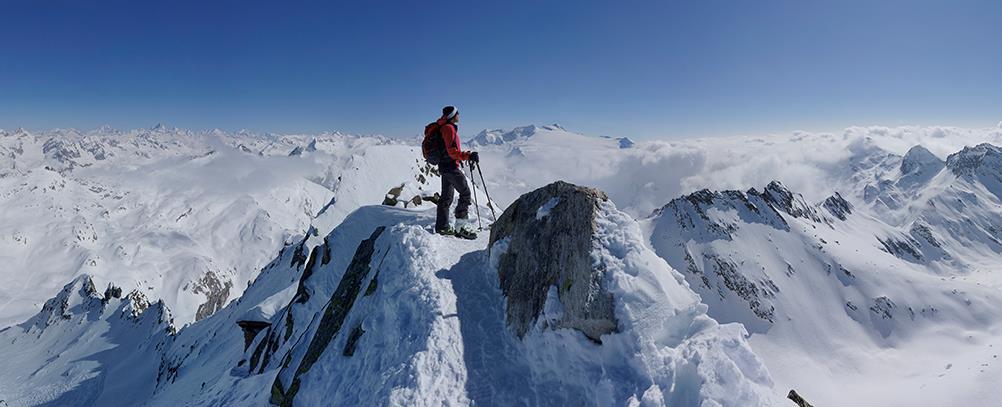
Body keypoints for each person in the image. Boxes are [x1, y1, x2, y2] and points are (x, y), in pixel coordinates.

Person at [431, 105, 479, 238]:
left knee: (446, 198)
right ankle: (461, 227)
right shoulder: (448, 128)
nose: (459, 115)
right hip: (450, 167)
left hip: (445, 167)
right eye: (458, 113)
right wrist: (468, 155)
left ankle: (442, 227)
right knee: (465, 193)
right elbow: (452, 152)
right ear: (453, 115)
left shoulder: (445, 127)